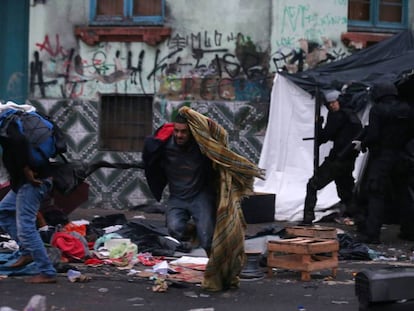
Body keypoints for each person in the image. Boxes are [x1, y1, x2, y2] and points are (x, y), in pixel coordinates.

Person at [143, 106, 264, 291]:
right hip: (177, 197)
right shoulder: (164, 147)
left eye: (184, 131)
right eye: (176, 130)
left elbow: (218, 140)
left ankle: (218, 271)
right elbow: (150, 155)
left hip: (200, 196)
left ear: (192, 132)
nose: (179, 135)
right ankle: (195, 231)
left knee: (208, 241)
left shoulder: (202, 148)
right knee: (175, 230)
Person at [0, 103, 57, 283]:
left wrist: (26, 169)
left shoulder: (8, 125)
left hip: (32, 182)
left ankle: (47, 272)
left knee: (25, 227)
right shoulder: (9, 122)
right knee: (3, 211)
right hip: (23, 183)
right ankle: (27, 253)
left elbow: (19, 142)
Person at [353, 82, 413, 244]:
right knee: (404, 194)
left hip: (382, 158)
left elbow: (373, 135)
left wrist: (363, 143)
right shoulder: (407, 109)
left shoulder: (377, 110)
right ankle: (409, 231)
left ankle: (372, 234)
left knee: (376, 194)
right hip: (402, 157)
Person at [302, 90, 362, 225]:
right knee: (345, 190)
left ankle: (308, 217)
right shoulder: (351, 115)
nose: (332, 106)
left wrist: (319, 125)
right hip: (348, 159)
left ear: (339, 101)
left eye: (333, 103)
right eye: (329, 104)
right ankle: (359, 217)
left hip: (338, 159)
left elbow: (323, 137)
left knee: (313, 185)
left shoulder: (338, 116)